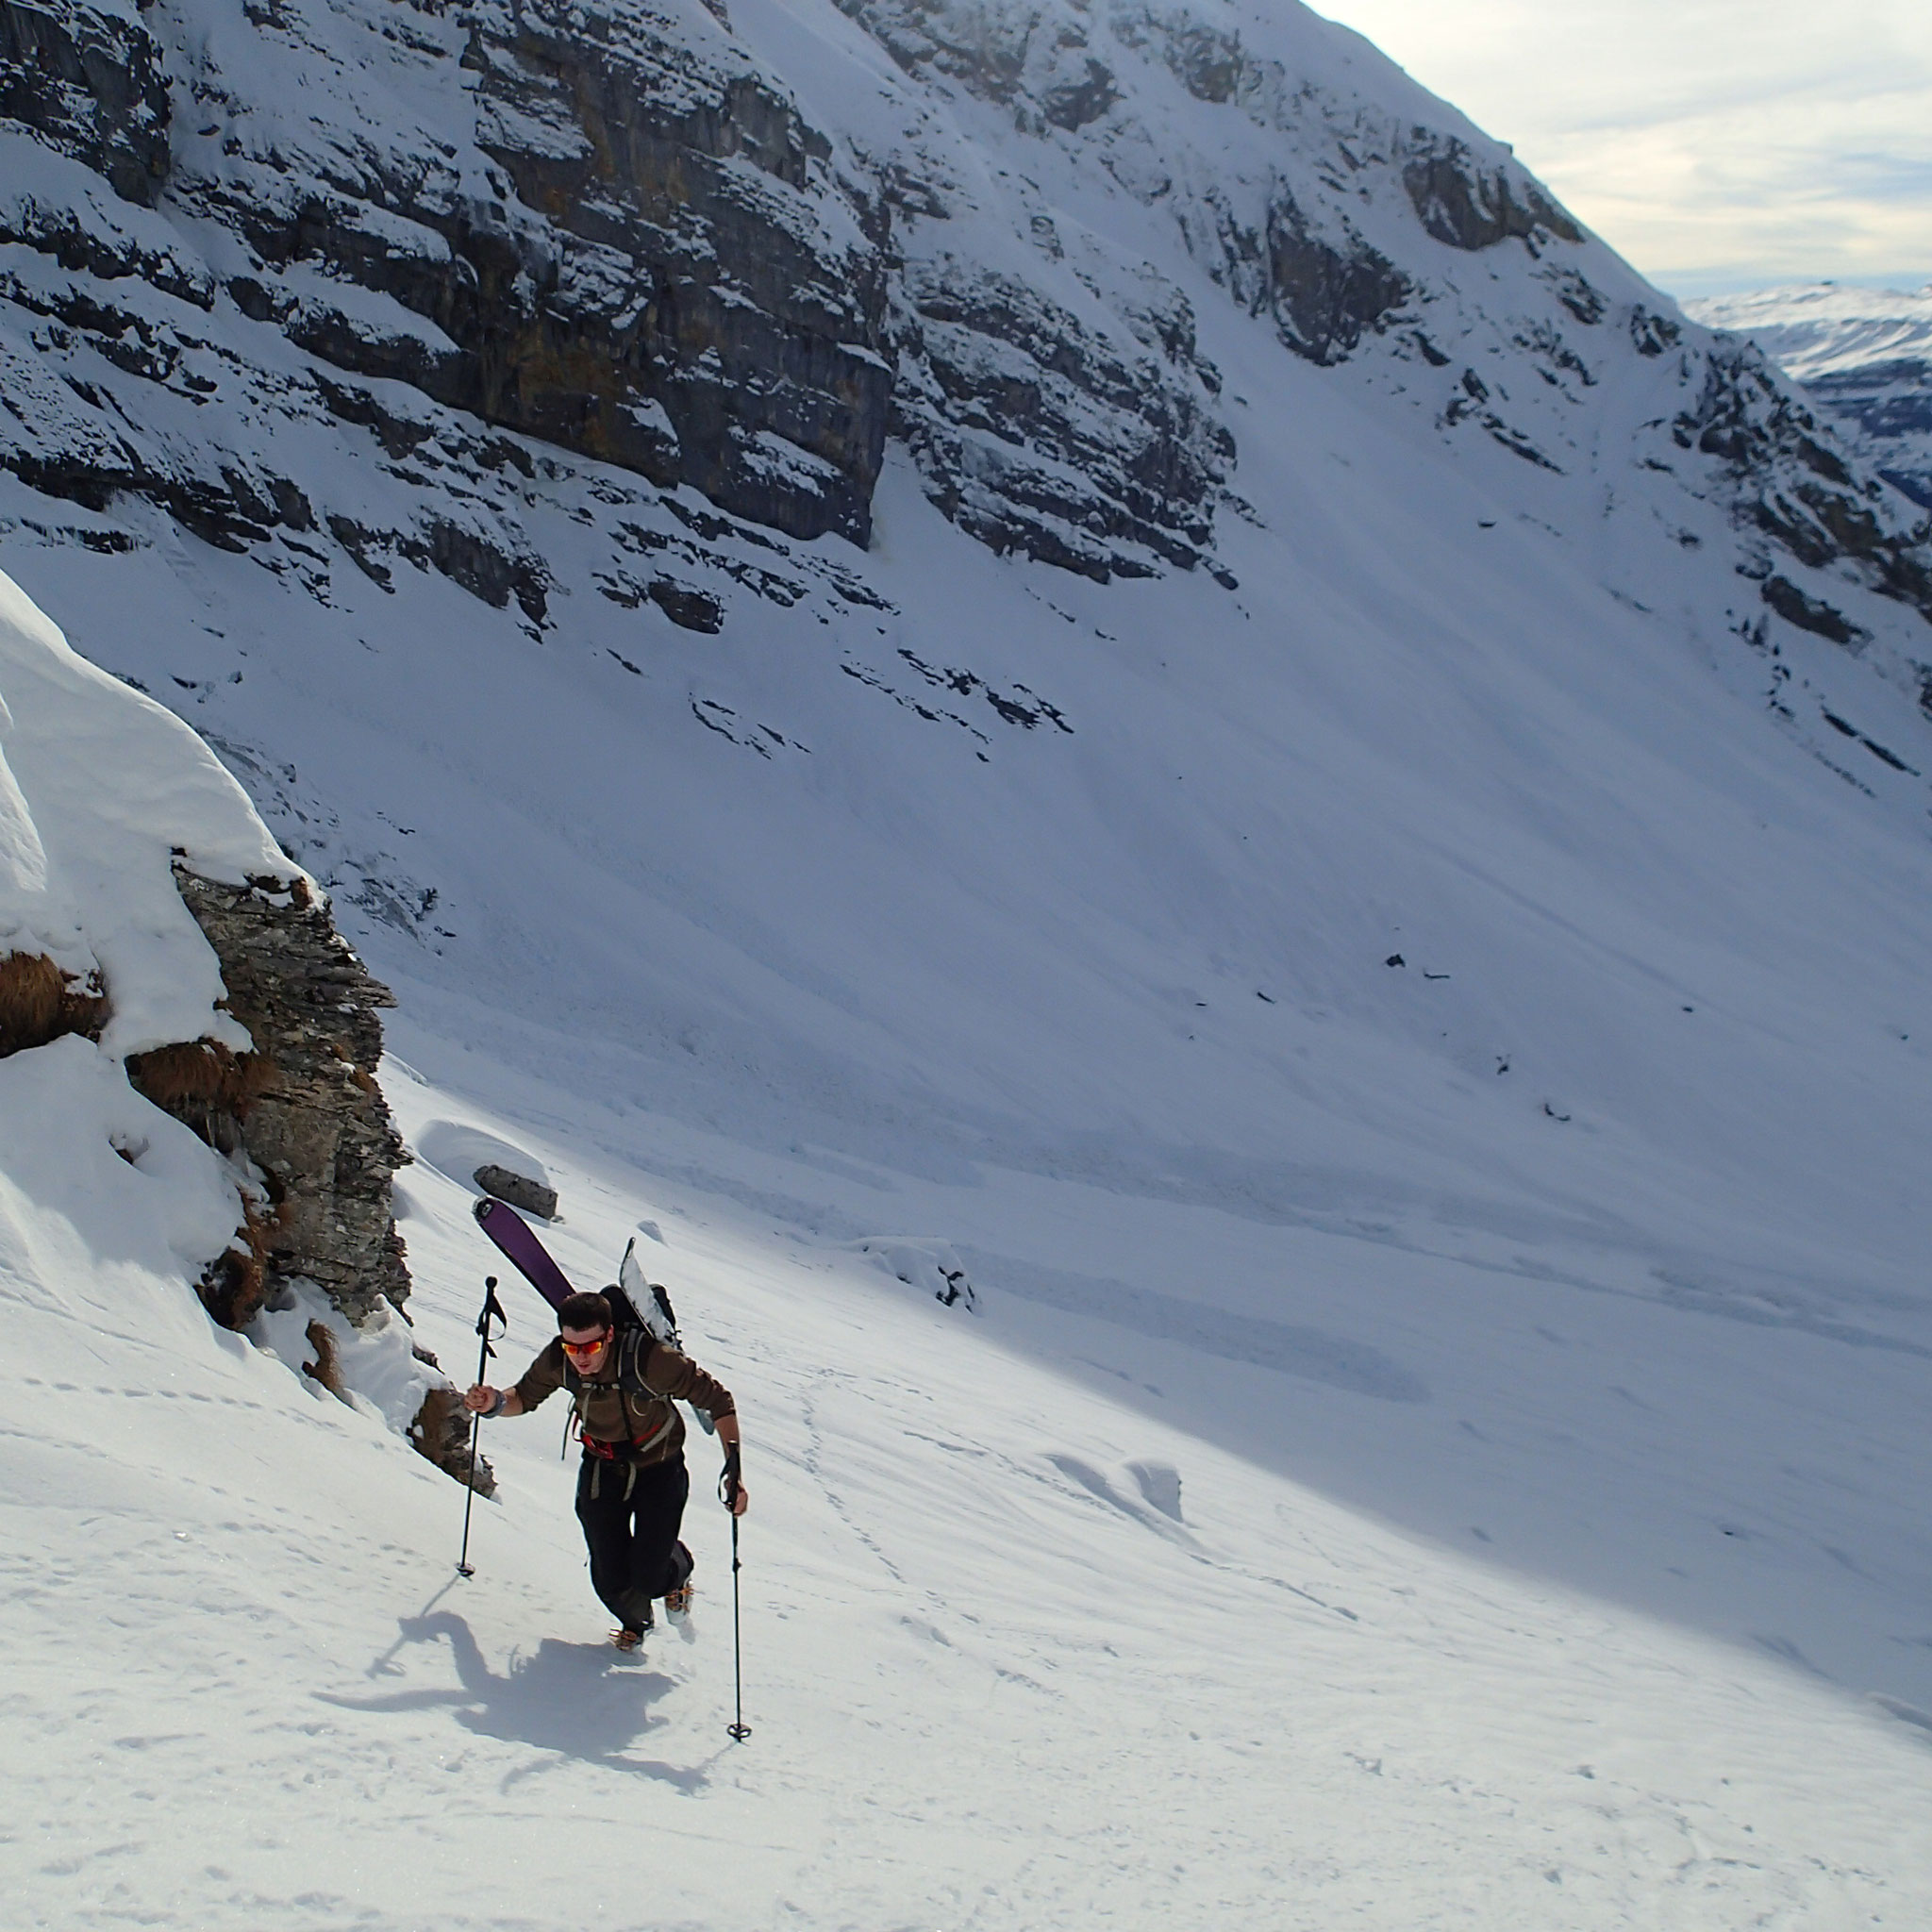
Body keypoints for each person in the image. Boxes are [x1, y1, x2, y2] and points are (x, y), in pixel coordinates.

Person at [465, 1289, 746, 1650]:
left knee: (649, 1575)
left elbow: (718, 1401)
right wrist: (495, 1402)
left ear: (609, 1335)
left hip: (659, 1466)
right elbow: (524, 1397)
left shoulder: (652, 1361)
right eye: (572, 1347)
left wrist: (733, 1469)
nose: (580, 1357)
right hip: (603, 1465)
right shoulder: (559, 1359)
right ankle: (636, 1622)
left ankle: (677, 1571)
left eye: (590, 1347)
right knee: (608, 1574)